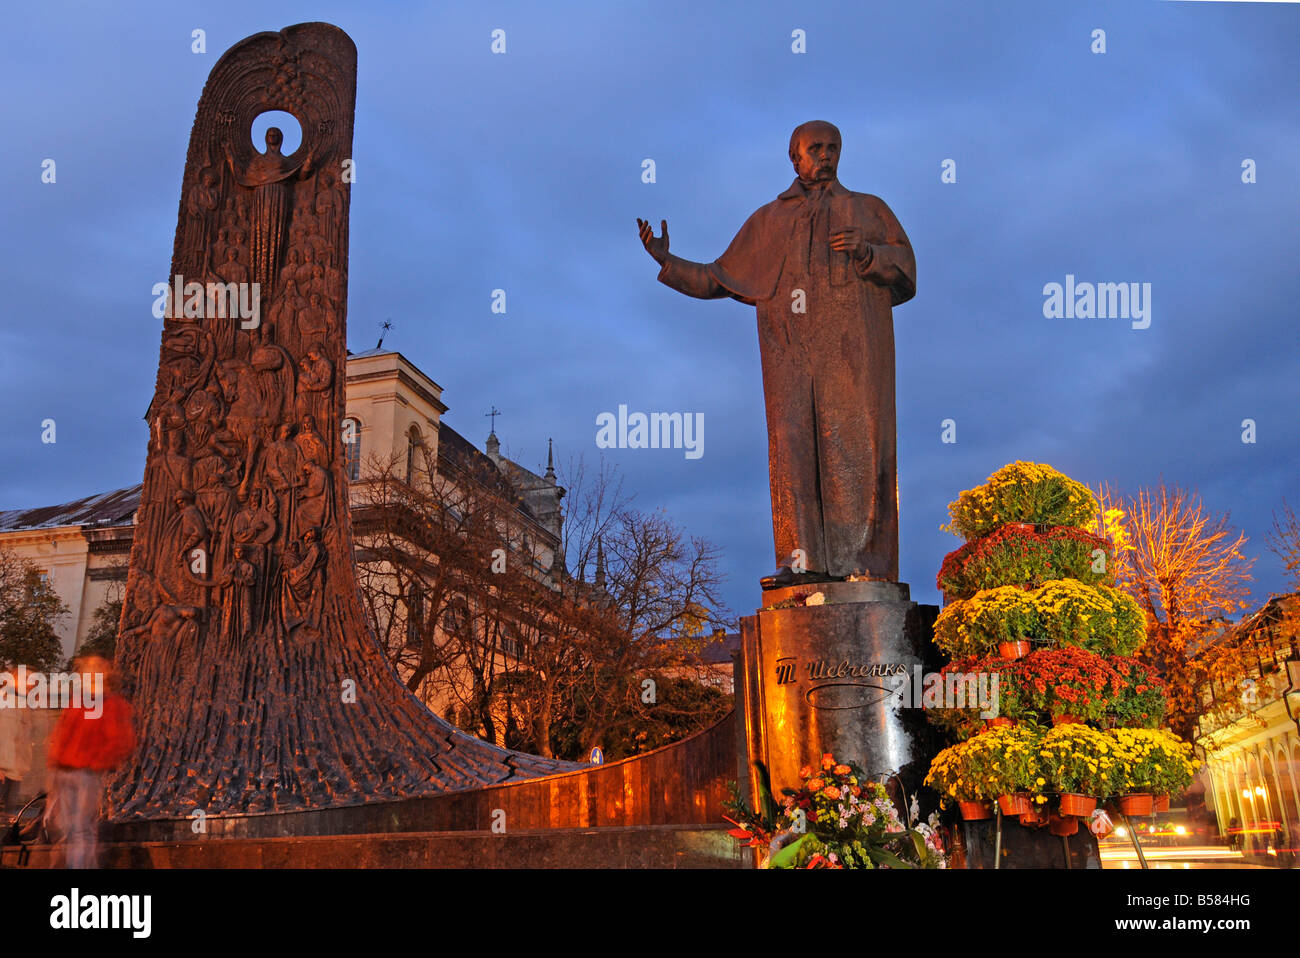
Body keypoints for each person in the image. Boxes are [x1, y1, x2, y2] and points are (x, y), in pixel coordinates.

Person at [638, 120, 915, 586]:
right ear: (795, 157)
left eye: (832, 148)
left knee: (857, 448)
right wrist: (667, 261)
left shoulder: (869, 209)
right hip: (788, 353)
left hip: (854, 352)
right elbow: (716, 278)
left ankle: (865, 565)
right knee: (792, 450)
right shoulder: (769, 221)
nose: (825, 156)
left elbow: (906, 271)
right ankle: (800, 561)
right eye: (816, 149)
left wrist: (868, 252)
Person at [45, 655, 135, 868]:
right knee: (67, 828)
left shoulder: (112, 704)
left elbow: (122, 741)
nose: (89, 673)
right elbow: (63, 733)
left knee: (80, 828)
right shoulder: (79, 702)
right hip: (65, 771)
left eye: (94, 670)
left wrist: (95, 763)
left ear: (104, 674)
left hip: (85, 773)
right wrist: (55, 764)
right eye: (87, 670)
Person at [0, 664, 36, 813]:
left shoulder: (24, 706)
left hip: (15, 773)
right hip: (3, 772)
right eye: (25, 678)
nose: (30, 682)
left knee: (6, 820)